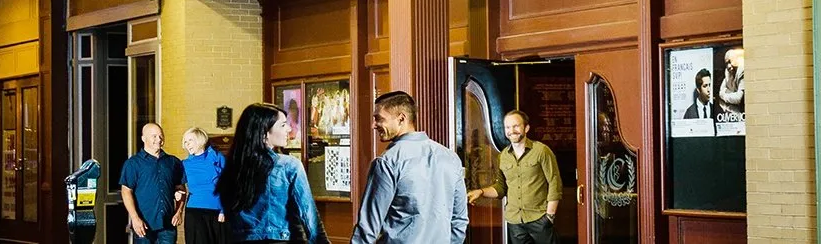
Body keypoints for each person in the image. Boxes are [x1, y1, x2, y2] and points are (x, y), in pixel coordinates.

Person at [351, 91, 468, 244]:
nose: (374, 125)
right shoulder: (450, 157)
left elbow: (368, 228)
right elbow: (459, 221)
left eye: (379, 119)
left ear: (401, 119)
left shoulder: (387, 162)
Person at [215, 103, 328, 243]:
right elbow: (309, 215)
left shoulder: (232, 167)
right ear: (264, 133)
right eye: (282, 125)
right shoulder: (288, 165)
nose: (289, 128)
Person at [467, 110, 562, 244]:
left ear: (526, 128)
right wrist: (481, 192)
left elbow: (554, 183)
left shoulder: (541, 151)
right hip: (515, 221)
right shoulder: (503, 156)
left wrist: (549, 216)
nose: (512, 130)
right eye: (508, 127)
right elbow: (501, 188)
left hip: (539, 218)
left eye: (516, 126)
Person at [120, 123, 186, 243]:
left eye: (161, 136)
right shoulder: (133, 164)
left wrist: (179, 211)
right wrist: (135, 218)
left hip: (168, 226)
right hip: (143, 225)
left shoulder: (173, 162)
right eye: (154, 136)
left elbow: (181, 189)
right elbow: (126, 191)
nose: (159, 139)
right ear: (143, 138)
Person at [182, 126, 227, 244]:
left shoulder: (217, 157)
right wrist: (177, 191)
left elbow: (228, 185)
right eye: (185, 142)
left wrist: (224, 210)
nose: (187, 144)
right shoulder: (184, 164)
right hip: (194, 211)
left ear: (200, 140)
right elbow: (177, 185)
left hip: (217, 211)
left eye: (190, 140)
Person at [718, 48, 745, 114]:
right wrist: (732, 94)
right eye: (726, 63)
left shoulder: (742, 71)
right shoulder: (727, 72)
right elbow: (720, 92)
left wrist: (725, 94)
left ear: (736, 60)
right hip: (730, 111)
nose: (728, 66)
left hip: (741, 112)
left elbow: (738, 98)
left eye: (730, 62)